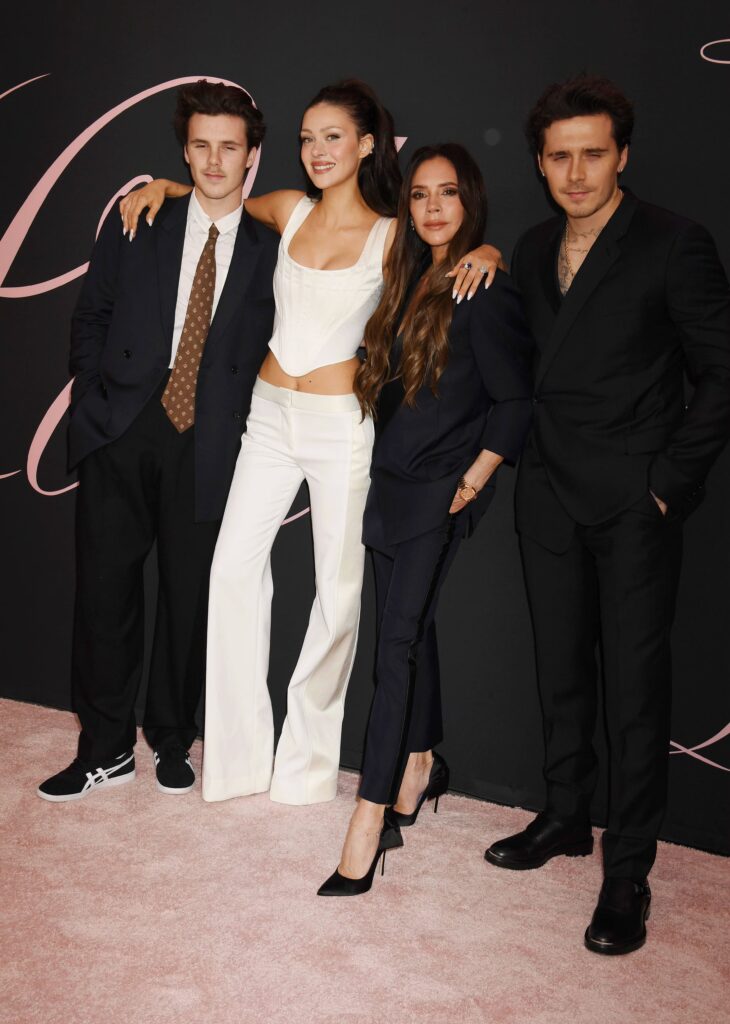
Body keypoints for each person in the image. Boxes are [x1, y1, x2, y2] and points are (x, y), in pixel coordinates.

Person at [120, 81, 500, 806]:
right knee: (231, 572)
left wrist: (491, 250)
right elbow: (217, 199)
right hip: (267, 419)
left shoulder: (393, 233)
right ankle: (236, 762)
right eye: (306, 138)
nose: (317, 150)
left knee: (337, 594)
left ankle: (304, 769)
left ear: (366, 144)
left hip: (339, 427)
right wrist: (171, 187)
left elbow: (451, 244)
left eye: (333, 137)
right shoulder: (288, 209)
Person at [484, 75, 730, 954]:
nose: (577, 172)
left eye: (593, 154)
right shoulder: (531, 245)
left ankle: (628, 871)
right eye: (560, 156)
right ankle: (564, 816)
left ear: (622, 154)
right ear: (540, 163)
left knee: (633, 693)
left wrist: (667, 484)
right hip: (547, 495)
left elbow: (721, 371)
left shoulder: (673, 242)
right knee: (561, 675)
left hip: (632, 504)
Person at [38, 81, 279, 801]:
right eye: (201, 145)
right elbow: (92, 315)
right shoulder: (139, 217)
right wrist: (96, 398)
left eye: (229, 147)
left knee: (189, 599)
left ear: (251, 156)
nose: (215, 160)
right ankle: (104, 749)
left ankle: (173, 738)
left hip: (209, 441)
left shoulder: (274, 247)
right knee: (104, 596)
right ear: (185, 150)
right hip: (123, 426)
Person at [318, 144, 534, 895]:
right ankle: (420, 763)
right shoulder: (407, 276)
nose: (433, 207)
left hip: (442, 490)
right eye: (419, 195)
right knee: (410, 632)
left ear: (470, 200)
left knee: (395, 650)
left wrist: (473, 479)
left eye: (448, 193)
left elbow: (515, 399)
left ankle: (368, 817)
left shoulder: (485, 285)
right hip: (389, 484)